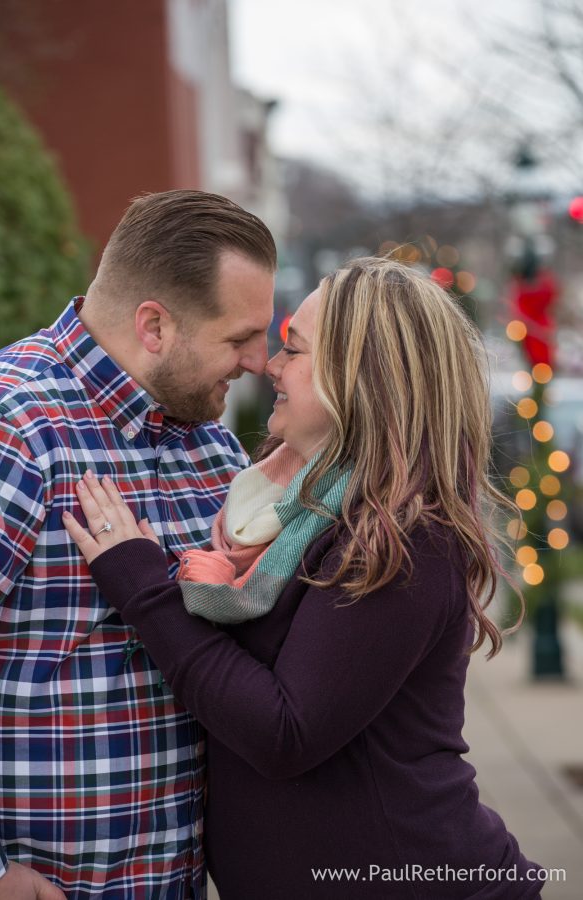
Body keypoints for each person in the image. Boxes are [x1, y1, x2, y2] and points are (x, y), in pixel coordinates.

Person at [64, 257, 545, 900]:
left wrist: (148, 591)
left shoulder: (405, 536)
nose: (269, 365)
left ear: (361, 378)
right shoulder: (302, 511)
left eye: (293, 348)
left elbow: (285, 731)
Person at [0, 189, 276, 899]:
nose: (259, 362)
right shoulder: (11, 428)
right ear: (154, 325)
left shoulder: (213, 449)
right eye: (239, 338)